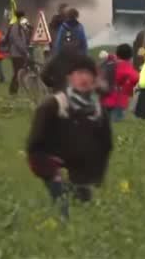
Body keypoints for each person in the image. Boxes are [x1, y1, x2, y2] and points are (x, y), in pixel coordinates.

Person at [26, 52, 112, 219]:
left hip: (81, 171)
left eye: (87, 74)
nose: (84, 78)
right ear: (70, 77)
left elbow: (105, 145)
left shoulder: (97, 110)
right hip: (55, 169)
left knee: (83, 209)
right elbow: (34, 145)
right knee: (63, 210)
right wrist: (52, 171)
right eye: (79, 73)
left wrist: (96, 175)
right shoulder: (53, 105)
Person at [98, 44, 139, 121]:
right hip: (118, 101)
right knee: (115, 125)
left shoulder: (109, 62)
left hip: (104, 99)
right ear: (130, 57)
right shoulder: (125, 65)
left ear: (117, 54)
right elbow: (135, 78)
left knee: (103, 124)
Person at [4, 11, 32, 95]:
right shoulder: (15, 28)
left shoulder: (21, 27)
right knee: (17, 72)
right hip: (16, 54)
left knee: (20, 72)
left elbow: (24, 39)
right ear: (20, 17)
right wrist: (24, 51)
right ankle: (13, 91)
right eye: (24, 17)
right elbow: (17, 41)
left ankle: (15, 90)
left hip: (20, 53)